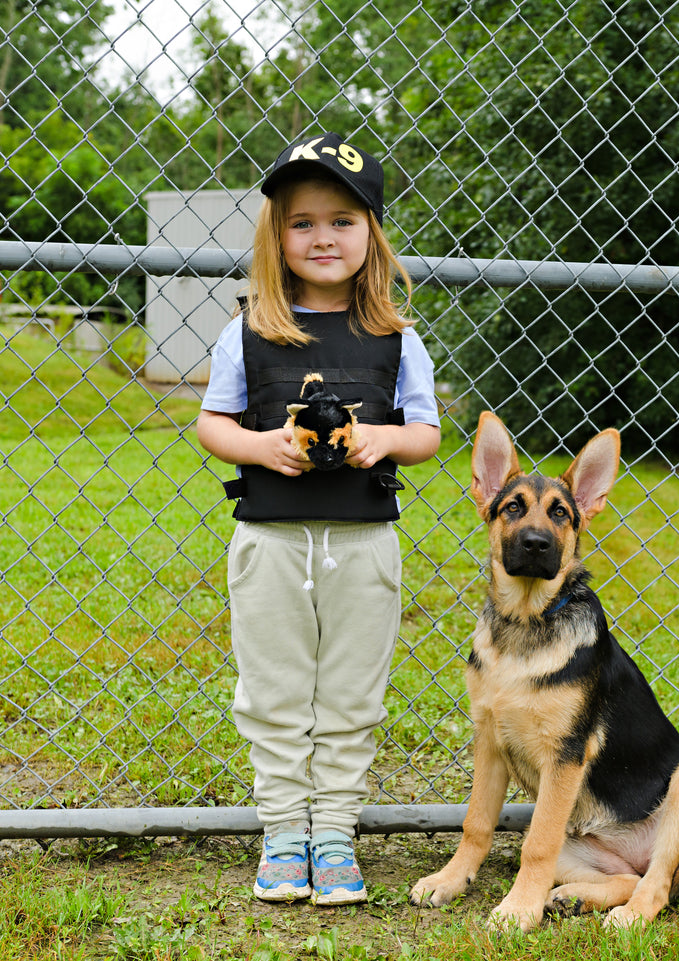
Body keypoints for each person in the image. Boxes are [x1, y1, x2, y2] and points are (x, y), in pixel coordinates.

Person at [195, 131, 441, 906]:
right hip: (269, 540)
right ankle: (283, 832)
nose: (323, 236)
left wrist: (381, 437)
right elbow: (213, 425)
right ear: (276, 235)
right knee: (271, 689)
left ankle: (333, 832)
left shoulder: (399, 339)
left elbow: (427, 434)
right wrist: (264, 446)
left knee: (349, 692)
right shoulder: (247, 330)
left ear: (372, 232)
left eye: (342, 219)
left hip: (363, 542)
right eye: (302, 221)